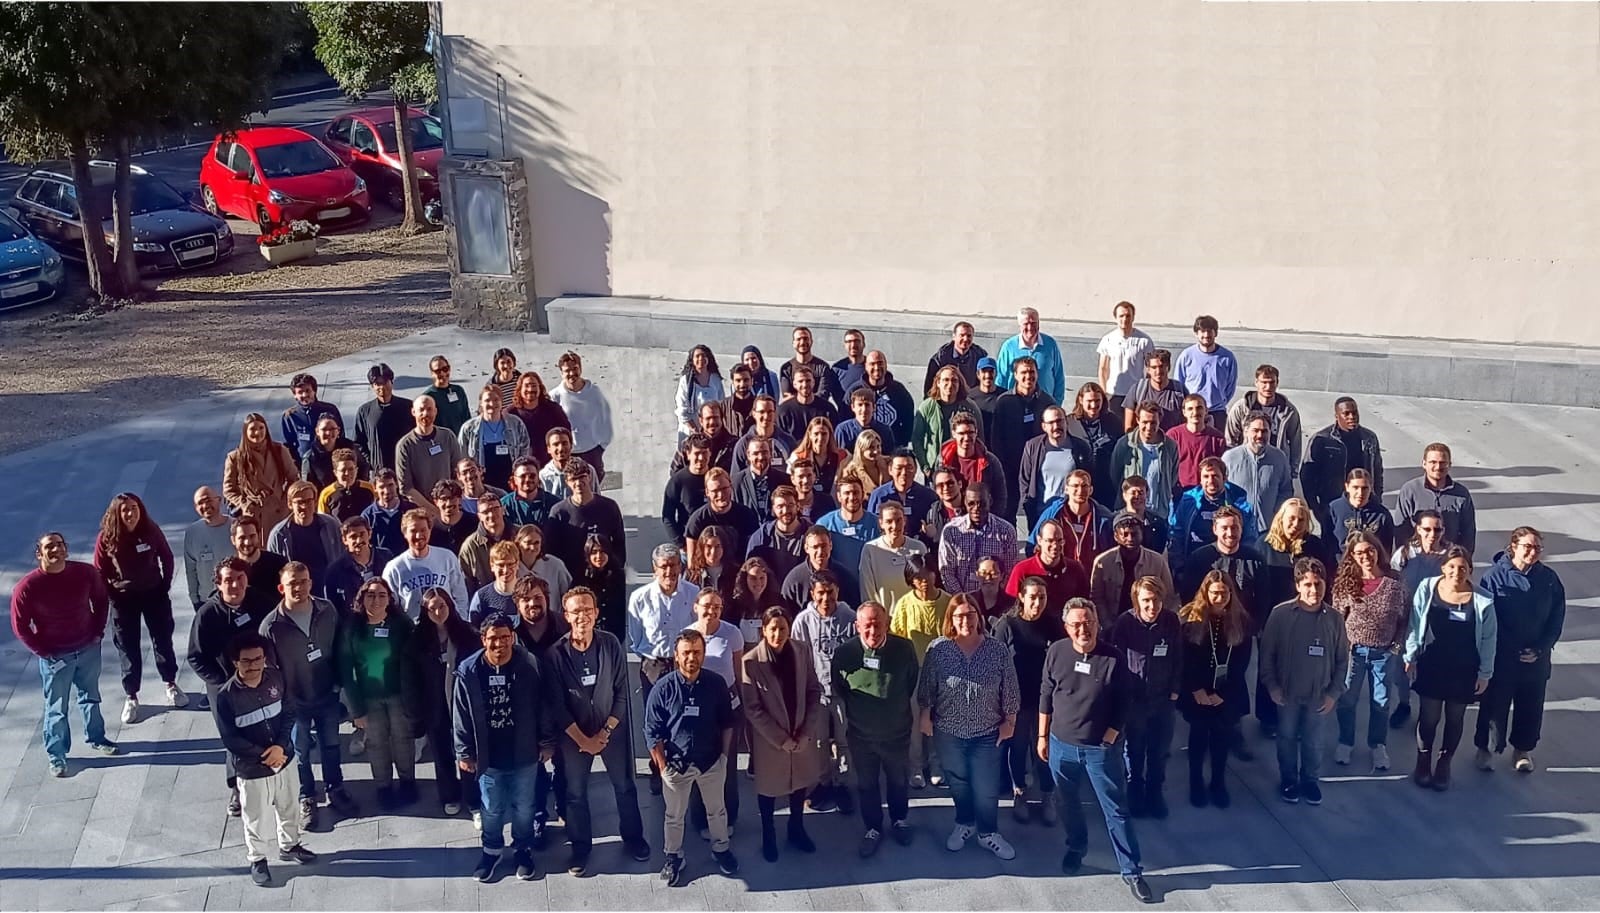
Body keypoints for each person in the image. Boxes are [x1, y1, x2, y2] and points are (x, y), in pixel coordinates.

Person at [1040, 599, 1153, 902]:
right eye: (1076, 624)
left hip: (1099, 751)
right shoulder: (1056, 652)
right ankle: (1077, 847)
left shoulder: (1113, 657)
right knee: (1067, 803)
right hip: (1061, 746)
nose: (1082, 629)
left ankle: (1131, 871)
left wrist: (1111, 736)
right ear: (1066, 627)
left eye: (1088, 622)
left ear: (1097, 624)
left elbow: (1124, 701)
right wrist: (1042, 736)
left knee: (1116, 810)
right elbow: (1046, 693)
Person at [547, 588, 652, 874]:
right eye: (576, 611)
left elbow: (621, 694)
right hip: (574, 736)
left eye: (587, 609)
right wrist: (584, 740)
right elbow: (557, 705)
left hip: (611, 730)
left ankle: (633, 839)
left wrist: (605, 732)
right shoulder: (555, 654)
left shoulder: (610, 644)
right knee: (575, 793)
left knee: (625, 786)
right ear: (566, 616)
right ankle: (580, 849)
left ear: (596, 612)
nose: (583, 616)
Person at [453, 612, 556, 883]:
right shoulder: (469, 670)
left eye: (505, 637)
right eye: (493, 639)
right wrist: (464, 752)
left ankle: (522, 849)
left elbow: (543, 706)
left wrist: (546, 742)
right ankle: (491, 850)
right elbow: (460, 713)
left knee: (524, 806)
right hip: (488, 756)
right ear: (483, 640)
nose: (500, 644)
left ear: (513, 637)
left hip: (524, 752)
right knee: (492, 807)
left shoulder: (529, 664)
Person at [918, 594, 1020, 860]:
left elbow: (1010, 688)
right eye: (959, 615)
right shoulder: (938, 649)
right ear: (951, 619)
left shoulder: (996, 649)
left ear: (979, 616)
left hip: (987, 732)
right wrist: (925, 715)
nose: (965, 620)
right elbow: (927, 686)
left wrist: (1010, 721)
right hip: (948, 731)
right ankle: (964, 823)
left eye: (970, 614)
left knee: (986, 788)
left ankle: (988, 833)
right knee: (958, 783)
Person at [259, 561, 356, 829]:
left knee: (331, 745)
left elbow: (338, 648)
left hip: (326, 693)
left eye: (303, 581)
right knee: (300, 751)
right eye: (293, 584)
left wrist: (340, 684)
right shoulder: (271, 626)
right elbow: (270, 671)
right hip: (294, 702)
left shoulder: (327, 609)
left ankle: (336, 788)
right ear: (282, 588)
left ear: (311, 583)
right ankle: (307, 796)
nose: (299, 587)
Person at [215, 631, 316, 887]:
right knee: (256, 815)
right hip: (252, 770)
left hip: (285, 759)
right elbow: (231, 739)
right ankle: (257, 859)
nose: (254, 666)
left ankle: (290, 845)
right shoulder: (226, 697)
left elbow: (290, 712)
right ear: (235, 662)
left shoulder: (276, 678)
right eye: (247, 661)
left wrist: (281, 747)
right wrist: (265, 755)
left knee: (289, 805)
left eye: (258, 659)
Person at [13, 532, 118, 777]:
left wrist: (97, 634)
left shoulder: (85, 573)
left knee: (90, 696)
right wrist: (44, 652)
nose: (56, 550)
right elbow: (20, 625)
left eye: (60, 545)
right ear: (39, 553)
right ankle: (57, 755)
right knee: (56, 708)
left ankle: (97, 738)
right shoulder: (27, 587)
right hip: (55, 657)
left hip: (88, 649)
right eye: (50, 547)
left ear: (66, 549)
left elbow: (101, 601)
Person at [646, 629, 741, 886]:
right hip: (676, 766)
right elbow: (652, 732)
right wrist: (663, 767)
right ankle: (673, 857)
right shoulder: (662, 689)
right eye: (686, 653)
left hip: (711, 762)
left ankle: (721, 849)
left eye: (697, 652)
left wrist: (723, 757)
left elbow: (727, 723)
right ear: (676, 657)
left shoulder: (716, 684)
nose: (692, 658)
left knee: (717, 812)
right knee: (674, 816)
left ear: (704, 654)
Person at [1474, 527, 1565, 773]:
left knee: (1531, 706)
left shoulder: (1549, 579)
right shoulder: (1494, 577)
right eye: (1527, 546)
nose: (1532, 552)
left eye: (1537, 548)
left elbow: (1556, 618)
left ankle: (1522, 750)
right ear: (1513, 546)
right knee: (1494, 705)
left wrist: (1541, 649)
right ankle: (1486, 749)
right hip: (1502, 657)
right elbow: (1486, 619)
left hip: (1535, 658)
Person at [1405, 546, 1496, 790]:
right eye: (1452, 567)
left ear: (1470, 570)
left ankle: (1444, 762)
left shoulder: (1483, 600)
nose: (1457, 572)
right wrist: (1410, 655)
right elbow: (1415, 622)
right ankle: (1423, 759)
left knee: (1455, 719)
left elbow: (1489, 639)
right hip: (1432, 664)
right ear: (1443, 568)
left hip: (1464, 669)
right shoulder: (1427, 588)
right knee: (1428, 717)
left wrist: (1485, 673)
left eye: (1463, 568)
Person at [739, 606, 825, 861]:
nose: (778, 634)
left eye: (782, 628)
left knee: (799, 784)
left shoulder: (801, 650)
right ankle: (769, 835)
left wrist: (807, 730)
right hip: (771, 741)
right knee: (768, 790)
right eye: (772, 629)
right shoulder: (751, 661)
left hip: (800, 733)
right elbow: (753, 708)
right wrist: (781, 739)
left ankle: (796, 828)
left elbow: (813, 690)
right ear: (764, 630)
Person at [1260, 558, 1348, 805]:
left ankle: (1310, 780)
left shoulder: (1334, 618)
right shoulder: (1280, 615)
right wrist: (1273, 687)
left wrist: (1333, 694)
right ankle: (1288, 780)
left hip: (1319, 696)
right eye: (1307, 584)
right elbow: (1267, 655)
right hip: (1287, 693)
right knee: (1286, 738)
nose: (1313, 590)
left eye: (1318, 584)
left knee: (1313, 741)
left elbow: (1342, 660)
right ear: (1297, 585)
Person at [188, 556, 272, 810]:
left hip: (261, 682)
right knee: (234, 738)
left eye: (239, 579)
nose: (234, 585)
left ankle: (270, 778)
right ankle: (236, 788)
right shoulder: (207, 614)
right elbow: (195, 657)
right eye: (228, 580)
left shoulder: (260, 602)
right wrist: (224, 683)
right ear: (218, 583)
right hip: (226, 689)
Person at [94, 492, 183, 722]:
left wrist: (164, 584)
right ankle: (131, 695)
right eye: (125, 510)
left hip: (154, 594)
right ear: (117, 513)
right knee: (127, 646)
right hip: (123, 600)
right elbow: (99, 570)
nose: (130, 513)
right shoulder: (106, 538)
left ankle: (171, 683)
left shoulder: (150, 530)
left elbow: (167, 556)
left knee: (162, 639)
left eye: (134, 508)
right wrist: (112, 593)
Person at [1330, 532, 1408, 772]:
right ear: (1352, 556)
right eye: (1359, 552)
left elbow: (1404, 619)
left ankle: (1377, 745)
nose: (1366, 556)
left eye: (1370, 550)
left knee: (1381, 702)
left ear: (1378, 551)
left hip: (1383, 653)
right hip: (1352, 652)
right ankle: (1345, 742)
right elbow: (1336, 619)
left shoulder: (1395, 583)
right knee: (1346, 700)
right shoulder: (1345, 584)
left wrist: (1397, 644)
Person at [1108, 574, 1183, 821]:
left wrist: (1174, 690)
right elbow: (1117, 662)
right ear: (1136, 601)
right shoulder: (1125, 623)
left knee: (1159, 750)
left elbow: (1178, 657)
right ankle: (1135, 791)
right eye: (1147, 601)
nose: (1152, 607)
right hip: (1135, 701)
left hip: (1163, 699)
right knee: (1135, 749)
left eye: (1157, 600)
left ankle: (1155, 792)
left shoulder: (1171, 621)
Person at [340, 577, 419, 808]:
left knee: (403, 740)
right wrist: (356, 710)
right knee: (376, 743)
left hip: (398, 695)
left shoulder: (401, 624)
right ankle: (383, 786)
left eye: (382, 595)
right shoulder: (352, 627)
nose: (376, 600)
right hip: (368, 697)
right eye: (371, 595)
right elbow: (346, 669)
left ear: (390, 599)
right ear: (362, 598)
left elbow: (413, 660)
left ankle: (408, 783)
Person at [1177, 570, 1253, 809]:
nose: (1219, 598)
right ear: (1205, 593)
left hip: (1226, 691)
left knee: (1221, 738)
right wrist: (1196, 689)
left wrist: (1223, 693)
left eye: (1223, 593)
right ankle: (1196, 782)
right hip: (1197, 690)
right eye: (1214, 593)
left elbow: (1242, 662)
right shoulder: (1192, 619)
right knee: (1198, 738)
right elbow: (1184, 659)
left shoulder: (1241, 620)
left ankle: (1218, 783)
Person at [628, 544, 701, 794]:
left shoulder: (694, 593)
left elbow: (698, 630)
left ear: (680, 567)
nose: (669, 571)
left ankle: (686, 767)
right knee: (656, 719)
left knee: (685, 716)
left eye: (673, 565)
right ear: (654, 568)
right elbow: (635, 637)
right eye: (664, 566)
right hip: (654, 664)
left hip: (684, 663)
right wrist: (650, 660)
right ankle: (658, 769)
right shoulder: (639, 598)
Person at [991, 577, 1062, 824]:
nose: (1038, 602)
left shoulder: (1053, 624)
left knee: (1043, 750)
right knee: (1018, 748)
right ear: (1021, 597)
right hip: (1016, 700)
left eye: (1042, 597)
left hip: (1046, 700)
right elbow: (995, 663)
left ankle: (1047, 795)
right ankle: (1019, 792)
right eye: (1033, 597)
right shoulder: (1006, 625)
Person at [790, 571, 858, 812]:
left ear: (837, 592)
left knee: (844, 741)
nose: (826, 598)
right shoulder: (803, 621)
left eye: (830, 592)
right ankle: (823, 782)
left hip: (843, 692)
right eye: (821, 593)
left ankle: (842, 784)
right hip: (815, 693)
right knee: (817, 742)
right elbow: (797, 659)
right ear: (812, 594)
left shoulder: (849, 617)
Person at [410, 587, 481, 821]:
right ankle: (450, 796)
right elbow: (412, 677)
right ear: (425, 611)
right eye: (432, 609)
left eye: (442, 606)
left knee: (467, 751)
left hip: (463, 705)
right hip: (434, 705)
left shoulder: (468, 634)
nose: (438, 612)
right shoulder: (418, 639)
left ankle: (473, 798)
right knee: (441, 753)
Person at [1389, 508, 1449, 728]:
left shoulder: (1449, 555)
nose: (1432, 534)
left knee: (1430, 668)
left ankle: (1426, 712)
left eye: (1437, 529)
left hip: (1437, 620)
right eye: (1427, 529)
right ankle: (1404, 704)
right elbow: (1393, 584)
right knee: (1402, 666)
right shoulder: (1404, 554)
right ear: (1418, 528)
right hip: (1406, 619)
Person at [1302, 397, 1384, 533]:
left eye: (1354, 413)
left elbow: (1377, 470)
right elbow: (1307, 476)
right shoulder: (1322, 439)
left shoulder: (1369, 438)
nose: (1351, 417)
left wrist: (1377, 498)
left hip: (1364, 502)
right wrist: (1316, 508)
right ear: (1336, 416)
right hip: (1332, 503)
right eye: (1346, 414)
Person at [991, 356, 1058, 519]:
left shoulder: (1047, 401)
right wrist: (1001, 462)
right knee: (1007, 511)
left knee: (1038, 512)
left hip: (1038, 467)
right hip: (1011, 466)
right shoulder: (1004, 401)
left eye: (1032, 372)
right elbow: (996, 437)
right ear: (1015, 375)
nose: (1028, 376)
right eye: (1024, 372)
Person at [1089, 513, 1176, 628]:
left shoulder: (1157, 562)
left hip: (1148, 623)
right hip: (1112, 624)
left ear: (1142, 534)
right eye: (1125, 535)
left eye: (1134, 534)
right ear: (1116, 536)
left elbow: (1168, 596)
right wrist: (1108, 625)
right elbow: (1097, 598)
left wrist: (1156, 623)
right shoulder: (1102, 562)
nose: (1130, 539)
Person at [545, 456, 627, 576]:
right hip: (572, 577)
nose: (578, 483)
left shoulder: (609, 507)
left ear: (589, 477)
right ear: (567, 482)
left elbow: (619, 543)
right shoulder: (559, 512)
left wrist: (615, 570)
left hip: (603, 575)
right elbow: (552, 550)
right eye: (573, 479)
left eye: (581, 477)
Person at [1169, 458, 1258, 568]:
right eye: (1206, 476)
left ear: (1225, 478)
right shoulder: (1188, 501)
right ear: (1200, 480)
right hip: (1194, 562)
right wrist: (1179, 567)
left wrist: (1242, 566)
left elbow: (1250, 539)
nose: (1210, 481)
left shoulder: (1240, 505)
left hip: (1227, 562)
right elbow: (1177, 535)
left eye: (1215, 476)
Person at [383, 508, 469, 619]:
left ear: (430, 530)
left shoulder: (447, 557)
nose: (419, 536)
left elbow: (460, 595)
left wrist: (460, 621)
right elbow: (390, 606)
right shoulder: (394, 567)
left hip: (446, 625)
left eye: (423, 530)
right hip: (413, 630)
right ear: (405, 533)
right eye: (413, 531)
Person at [224, 413, 300, 536]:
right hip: (253, 515)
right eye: (252, 429)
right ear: (245, 432)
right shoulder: (235, 458)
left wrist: (285, 500)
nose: (257, 432)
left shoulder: (279, 451)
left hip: (279, 511)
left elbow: (294, 479)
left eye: (261, 428)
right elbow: (229, 490)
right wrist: (244, 503)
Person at [1395, 442, 1477, 556]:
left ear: (1450, 465)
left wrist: (1463, 558)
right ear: (1424, 463)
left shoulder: (1461, 494)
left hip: (1449, 558)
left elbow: (1468, 532)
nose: (1438, 467)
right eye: (1433, 462)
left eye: (1443, 463)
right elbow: (1401, 530)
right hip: (1416, 557)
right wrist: (1405, 556)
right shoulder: (1410, 491)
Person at [1018, 405, 1089, 532]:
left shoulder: (1081, 448)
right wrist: (1027, 505)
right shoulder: (1032, 447)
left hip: (1070, 515)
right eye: (1051, 423)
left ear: (1066, 422)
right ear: (1044, 427)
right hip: (1040, 515)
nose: (1056, 426)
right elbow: (1024, 480)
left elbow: (1088, 479)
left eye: (1059, 421)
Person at [1030, 470, 1113, 580]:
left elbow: (1112, 552)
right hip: (1059, 579)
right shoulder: (1053, 514)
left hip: (1093, 579)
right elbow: (1032, 545)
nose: (1080, 490)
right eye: (1075, 486)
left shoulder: (1104, 517)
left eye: (1084, 486)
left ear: (1091, 490)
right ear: (1066, 489)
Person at [1223, 411, 1294, 536]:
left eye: (1264, 431)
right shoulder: (1230, 458)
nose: (1260, 435)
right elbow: (1223, 492)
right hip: (1238, 532)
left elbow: (1286, 491)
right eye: (1255, 430)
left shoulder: (1279, 458)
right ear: (1246, 432)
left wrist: (1277, 514)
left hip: (1269, 530)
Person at [938, 483, 1018, 596]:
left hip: (995, 600)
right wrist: (962, 599)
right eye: (971, 504)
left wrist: (995, 597)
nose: (976, 508)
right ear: (965, 502)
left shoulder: (1006, 531)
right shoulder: (951, 531)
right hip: (962, 600)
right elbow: (946, 571)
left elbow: (1010, 571)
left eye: (981, 503)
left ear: (989, 501)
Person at [1224, 364, 1303, 473]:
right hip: (1246, 464)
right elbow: (1230, 439)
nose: (1268, 387)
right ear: (1256, 382)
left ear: (1277, 383)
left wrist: (1293, 472)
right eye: (1264, 382)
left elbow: (1296, 443)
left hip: (1276, 466)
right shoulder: (1241, 408)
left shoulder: (1288, 411)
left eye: (1272, 382)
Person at [396, 397, 463, 521]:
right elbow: (407, 488)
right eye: (421, 409)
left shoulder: (447, 436)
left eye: (429, 409)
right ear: (413, 412)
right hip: (423, 515)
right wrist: (436, 511)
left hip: (452, 511)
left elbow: (458, 474)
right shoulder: (405, 446)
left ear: (435, 411)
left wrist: (450, 505)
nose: (425, 413)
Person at [267, 481, 342, 592]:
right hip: (297, 594)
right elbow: (274, 571)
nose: (304, 506)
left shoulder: (331, 525)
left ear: (315, 501)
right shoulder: (279, 534)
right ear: (290, 504)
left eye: (308, 501)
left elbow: (343, 556)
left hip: (330, 590)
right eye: (299, 502)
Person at [550, 350, 615, 478]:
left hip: (592, 453)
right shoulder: (555, 396)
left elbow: (605, 419)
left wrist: (601, 446)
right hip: (568, 454)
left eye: (575, 368)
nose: (571, 373)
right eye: (567, 370)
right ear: (561, 373)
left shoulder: (594, 392)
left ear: (580, 368)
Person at [1110, 403, 1180, 520]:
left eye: (1153, 423)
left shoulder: (1170, 446)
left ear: (1159, 421)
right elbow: (1115, 475)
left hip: (1158, 514)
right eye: (1145, 422)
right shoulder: (1125, 443)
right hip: (1129, 513)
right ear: (1137, 420)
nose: (1149, 427)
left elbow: (1172, 478)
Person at [459, 385, 532, 492]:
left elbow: (524, 449)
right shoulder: (468, 428)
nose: (492, 404)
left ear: (502, 401)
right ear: (481, 403)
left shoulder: (515, 423)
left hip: (511, 482)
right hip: (482, 484)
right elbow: (462, 457)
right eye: (487, 400)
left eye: (496, 399)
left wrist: (520, 473)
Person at [859, 499, 928, 612]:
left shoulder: (918, 548)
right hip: (884, 621)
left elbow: (926, 585)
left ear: (904, 521)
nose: (895, 526)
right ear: (881, 523)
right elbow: (867, 591)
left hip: (915, 617)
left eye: (899, 520)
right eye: (889, 521)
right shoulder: (870, 550)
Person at [817, 476, 879, 597]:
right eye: (847, 493)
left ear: (863, 494)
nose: (852, 497)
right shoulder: (825, 524)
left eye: (856, 492)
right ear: (839, 496)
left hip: (870, 589)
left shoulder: (877, 524)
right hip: (837, 592)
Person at [910, 365, 978, 475]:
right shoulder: (926, 407)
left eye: (954, 380)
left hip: (963, 469)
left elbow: (979, 440)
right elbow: (917, 439)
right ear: (938, 382)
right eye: (946, 380)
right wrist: (926, 467)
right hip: (935, 469)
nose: (950, 384)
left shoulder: (970, 407)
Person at [1173, 315, 1237, 429]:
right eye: (1202, 331)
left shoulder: (1227, 357)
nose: (1206, 335)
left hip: (1217, 413)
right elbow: (1178, 385)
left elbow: (1230, 387)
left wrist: (1220, 401)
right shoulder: (1186, 356)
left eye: (1210, 331)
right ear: (1196, 333)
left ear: (1215, 333)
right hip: (1192, 413)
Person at [1066, 383, 1122, 510]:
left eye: (1097, 400)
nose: (1093, 405)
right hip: (1079, 486)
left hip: (1106, 484)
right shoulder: (1070, 423)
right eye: (1089, 401)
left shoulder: (1113, 422)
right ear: (1081, 400)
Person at [996, 306, 1065, 403]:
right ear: (1019, 325)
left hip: (1045, 405)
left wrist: (1056, 404)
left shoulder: (1050, 344)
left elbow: (1059, 376)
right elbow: (1001, 379)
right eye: (1026, 324)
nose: (1030, 327)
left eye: (1033, 323)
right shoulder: (1009, 347)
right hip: (1015, 404)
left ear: (1039, 323)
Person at [848, 350, 916, 447]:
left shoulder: (899, 390)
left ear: (886, 365)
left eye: (880, 363)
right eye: (872, 364)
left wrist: (902, 442)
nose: (876, 367)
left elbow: (908, 419)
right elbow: (845, 418)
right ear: (866, 367)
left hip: (892, 449)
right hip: (861, 449)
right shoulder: (854, 390)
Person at [1095, 301, 1154, 415]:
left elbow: (1150, 369)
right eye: (1121, 316)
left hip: (1136, 394)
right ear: (1115, 318)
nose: (1124, 319)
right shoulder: (1107, 340)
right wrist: (1104, 393)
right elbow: (1103, 368)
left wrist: (1145, 390)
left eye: (1128, 315)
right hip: (1113, 394)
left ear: (1133, 317)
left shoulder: (1144, 341)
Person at [354, 363, 414, 473]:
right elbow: (358, 442)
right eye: (377, 383)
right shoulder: (365, 411)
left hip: (406, 469)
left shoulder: (408, 407)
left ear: (392, 382)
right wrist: (370, 462)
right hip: (379, 472)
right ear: (372, 386)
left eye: (385, 382)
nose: (382, 387)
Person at [685, 467, 762, 552]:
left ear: (731, 487)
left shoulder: (746, 515)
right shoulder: (697, 520)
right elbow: (692, 562)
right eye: (715, 491)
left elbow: (755, 551)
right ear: (707, 492)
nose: (721, 495)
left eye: (724, 488)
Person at [506, 371, 571, 466]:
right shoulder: (510, 413)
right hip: (523, 467)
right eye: (527, 385)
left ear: (540, 388)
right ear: (520, 389)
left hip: (551, 464)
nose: (530, 389)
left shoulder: (553, 409)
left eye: (534, 385)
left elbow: (566, 433)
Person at [184, 486, 233, 609]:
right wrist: (194, 598)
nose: (205, 506)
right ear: (196, 508)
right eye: (200, 503)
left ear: (219, 500)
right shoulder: (192, 532)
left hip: (235, 597)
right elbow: (191, 569)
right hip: (207, 601)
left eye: (208, 500)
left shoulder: (235, 527)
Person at [1325, 468, 1395, 555]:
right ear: (1347, 487)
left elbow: (1386, 549)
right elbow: (1327, 543)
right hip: (1341, 565)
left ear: (1371, 488)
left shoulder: (1382, 514)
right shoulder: (1334, 509)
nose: (1360, 493)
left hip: (1369, 564)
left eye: (1364, 488)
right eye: (1355, 487)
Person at [457, 496, 516, 595]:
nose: (491, 514)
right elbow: (465, 584)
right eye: (485, 512)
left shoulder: (519, 536)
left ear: (503, 510)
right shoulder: (470, 547)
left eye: (495, 509)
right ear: (479, 516)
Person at [300, 416, 366, 504]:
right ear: (317, 432)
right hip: (327, 502)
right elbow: (308, 487)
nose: (328, 433)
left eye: (332, 429)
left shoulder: (350, 447)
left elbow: (363, 468)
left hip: (355, 499)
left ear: (338, 431)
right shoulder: (310, 458)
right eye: (324, 429)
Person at [281, 373, 343, 465]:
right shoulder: (290, 416)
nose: (305, 394)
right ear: (294, 395)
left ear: (314, 391)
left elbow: (341, 436)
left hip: (330, 463)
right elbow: (288, 445)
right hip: (305, 465)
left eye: (307, 390)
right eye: (300, 392)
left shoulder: (330, 409)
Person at [230, 517, 288, 615]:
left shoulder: (279, 563)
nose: (247, 542)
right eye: (242, 538)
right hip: (245, 627)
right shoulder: (230, 570)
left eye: (252, 536)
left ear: (259, 536)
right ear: (233, 540)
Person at [1168, 394, 1227, 490]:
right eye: (1190, 409)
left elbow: (1221, 470)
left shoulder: (1217, 438)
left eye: (1199, 408)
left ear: (1206, 411)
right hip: (1178, 492)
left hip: (1206, 492)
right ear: (1184, 412)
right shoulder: (1173, 436)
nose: (1195, 412)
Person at [1122, 348, 1187, 432]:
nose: (1158, 371)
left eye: (1161, 366)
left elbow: (1187, 424)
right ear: (1148, 370)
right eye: (1154, 367)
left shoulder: (1180, 391)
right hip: (1144, 442)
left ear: (1168, 367)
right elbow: (1129, 427)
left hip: (1172, 442)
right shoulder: (1137, 390)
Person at [676, 344, 726, 442]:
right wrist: (697, 431)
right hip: (690, 432)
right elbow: (682, 410)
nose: (701, 358)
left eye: (704, 355)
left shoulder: (716, 380)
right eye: (697, 356)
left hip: (712, 431)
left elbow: (722, 405)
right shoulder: (685, 381)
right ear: (692, 360)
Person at [734, 395, 797, 473]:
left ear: (775, 413)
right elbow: (736, 477)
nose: (766, 416)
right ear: (754, 413)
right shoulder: (743, 444)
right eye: (761, 412)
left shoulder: (788, 441)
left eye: (770, 411)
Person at [925, 320, 989, 391]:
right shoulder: (939, 359)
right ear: (954, 337)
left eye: (969, 336)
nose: (965, 339)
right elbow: (929, 387)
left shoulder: (979, 357)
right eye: (962, 335)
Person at [778, 369, 837, 445]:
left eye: (808, 381)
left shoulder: (828, 409)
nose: (805, 385)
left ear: (813, 383)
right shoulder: (783, 411)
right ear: (794, 384)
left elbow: (833, 437)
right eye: (800, 381)